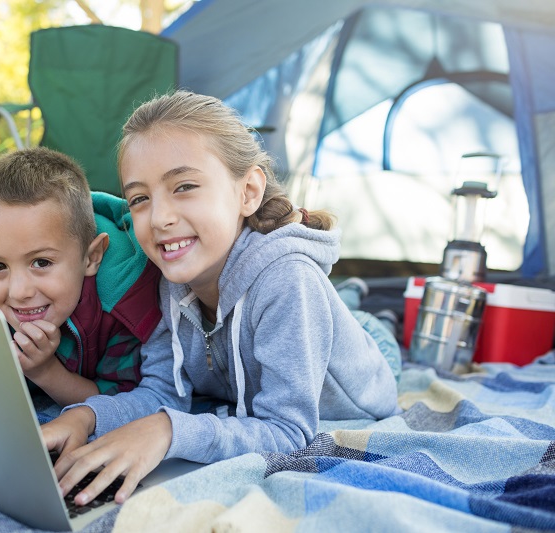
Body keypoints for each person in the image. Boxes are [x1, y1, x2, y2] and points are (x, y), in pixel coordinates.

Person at [42, 90, 401, 506]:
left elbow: (288, 432)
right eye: (140, 198)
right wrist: (87, 417)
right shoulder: (169, 279)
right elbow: (161, 393)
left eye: (185, 186)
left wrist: (168, 430)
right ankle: (349, 298)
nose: (160, 218)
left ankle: (362, 305)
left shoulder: (288, 282)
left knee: (372, 326)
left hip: (362, 372)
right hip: (286, 328)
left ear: (248, 191)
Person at [0, 147, 162, 410]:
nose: (19, 291)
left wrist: (45, 371)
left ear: (91, 258)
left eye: (41, 263)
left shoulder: (122, 305)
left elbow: (117, 404)